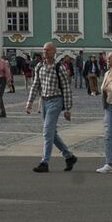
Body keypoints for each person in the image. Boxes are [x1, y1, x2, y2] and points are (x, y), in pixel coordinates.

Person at [24, 41, 77, 173]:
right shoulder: (39, 66)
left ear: (54, 52)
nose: (45, 52)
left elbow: (66, 88)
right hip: (44, 101)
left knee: (47, 131)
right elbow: (35, 85)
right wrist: (29, 102)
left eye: (48, 50)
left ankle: (44, 162)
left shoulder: (60, 68)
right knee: (52, 133)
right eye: (44, 49)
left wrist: (67, 109)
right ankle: (69, 156)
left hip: (56, 101)